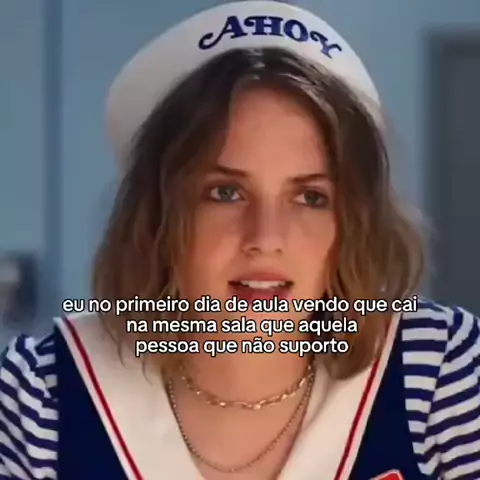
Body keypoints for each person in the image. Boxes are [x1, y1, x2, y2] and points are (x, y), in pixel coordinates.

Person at [0, 1, 479, 479]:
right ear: (157, 215)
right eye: (226, 193)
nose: (266, 238)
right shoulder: (41, 394)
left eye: (311, 197)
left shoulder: (440, 371)